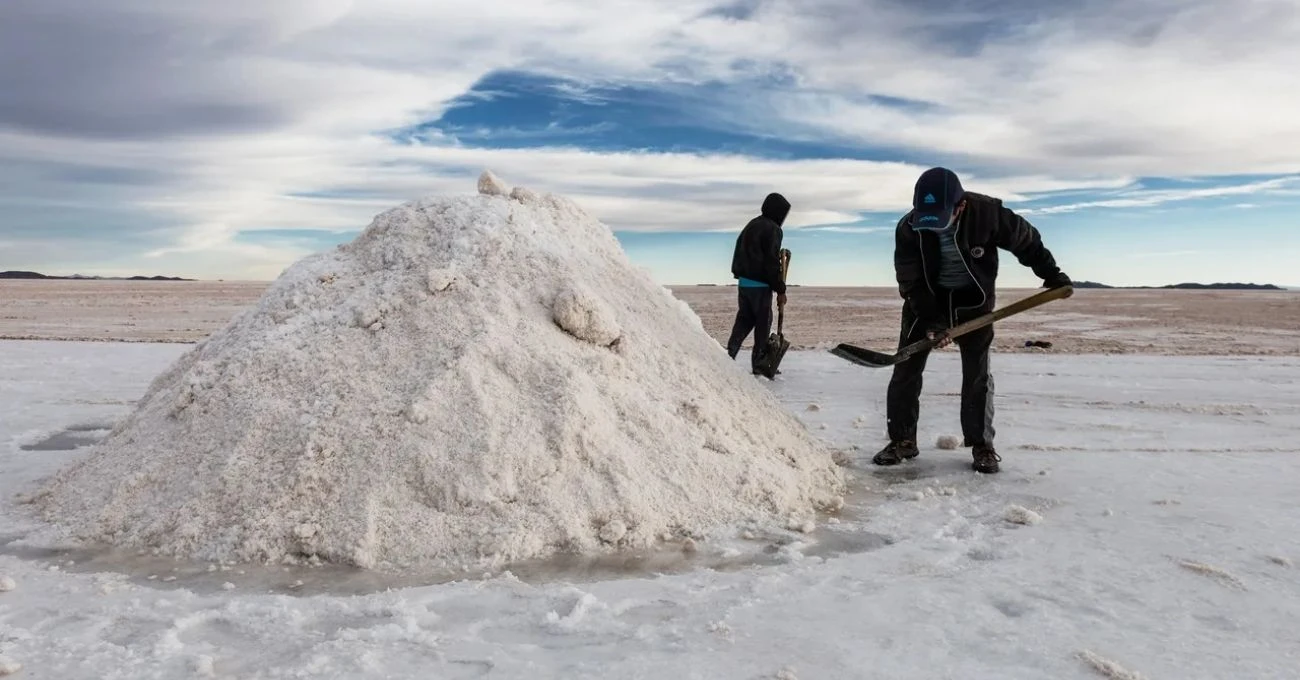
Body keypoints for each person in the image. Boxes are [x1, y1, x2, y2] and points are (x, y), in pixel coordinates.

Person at [874, 167, 1072, 473]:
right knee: (905, 370)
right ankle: (902, 440)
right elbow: (910, 280)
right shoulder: (908, 228)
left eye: (941, 217)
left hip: (974, 305)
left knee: (977, 374)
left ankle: (982, 445)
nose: (934, 227)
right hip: (925, 302)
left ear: (961, 205)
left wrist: (1050, 273)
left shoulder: (988, 214)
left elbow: (1027, 241)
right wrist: (931, 320)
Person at [726, 192, 790, 376]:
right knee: (763, 324)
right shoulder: (773, 229)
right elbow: (771, 262)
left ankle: (728, 354)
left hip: (744, 284)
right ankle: (760, 365)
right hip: (760, 286)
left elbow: (740, 250)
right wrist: (780, 289)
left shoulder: (752, 224)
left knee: (744, 320)